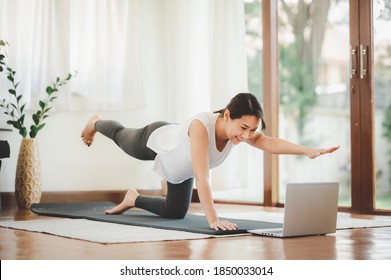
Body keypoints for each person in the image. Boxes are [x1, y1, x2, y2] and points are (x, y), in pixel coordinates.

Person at [81, 93, 339, 231]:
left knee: (175, 213)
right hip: (157, 140)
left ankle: (133, 198)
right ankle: (95, 122)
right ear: (227, 115)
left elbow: (268, 142)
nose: (247, 135)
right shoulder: (202, 126)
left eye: (252, 130)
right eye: (244, 127)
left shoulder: (240, 132)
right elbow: (203, 178)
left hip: (180, 165)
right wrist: (212, 218)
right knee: (120, 135)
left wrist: (306, 151)